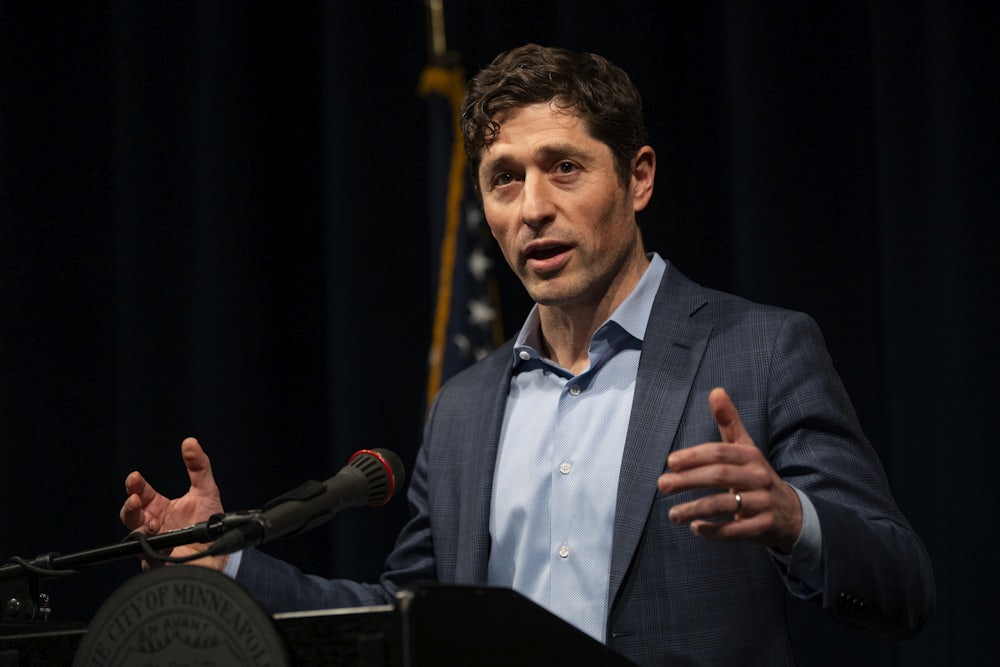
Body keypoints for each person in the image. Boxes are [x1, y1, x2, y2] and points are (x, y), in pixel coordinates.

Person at [120, 44, 934, 665]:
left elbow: (902, 585)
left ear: (638, 177)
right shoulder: (466, 407)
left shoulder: (760, 349)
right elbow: (405, 613)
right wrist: (226, 562)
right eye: (504, 180)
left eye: (564, 168)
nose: (532, 208)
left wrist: (797, 522)